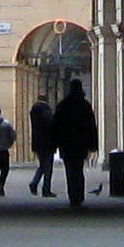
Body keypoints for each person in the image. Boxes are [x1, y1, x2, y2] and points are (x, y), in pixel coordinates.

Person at [50, 77, 99, 211]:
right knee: (79, 169)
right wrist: (93, 144)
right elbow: (91, 125)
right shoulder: (85, 105)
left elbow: (55, 125)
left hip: (66, 143)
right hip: (81, 142)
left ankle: (73, 196)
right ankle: (79, 195)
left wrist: (54, 142)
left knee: (70, 170)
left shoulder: (63, 105)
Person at [28, 94, 59, 196]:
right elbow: (50, 124)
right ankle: (46, 189)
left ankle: (35, 182)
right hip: (47, 142)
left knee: (42, 165)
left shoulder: (34, 109)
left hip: (37, 142)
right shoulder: (45, 109)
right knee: (48, 167)